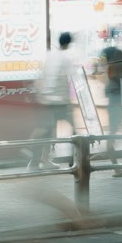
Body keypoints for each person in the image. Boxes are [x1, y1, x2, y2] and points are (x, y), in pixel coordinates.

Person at [28, 32, 75, 169]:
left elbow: (42, 76)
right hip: (58, 102)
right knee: (73, 130)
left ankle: (40, 160)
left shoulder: (49, 56)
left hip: (47, 100)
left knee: (47, 130)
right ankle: (74, 160)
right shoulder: (64, 59)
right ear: (68, 44)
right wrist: (64, 98)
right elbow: (61, 79)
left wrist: (44, 94)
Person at [101, 44, 122, 177]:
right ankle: (115, 168)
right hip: (115, 105)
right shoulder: (116, 69)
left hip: (114, 104)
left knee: (113, 135)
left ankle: (114, 164)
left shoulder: (110, 70)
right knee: (112, 136)